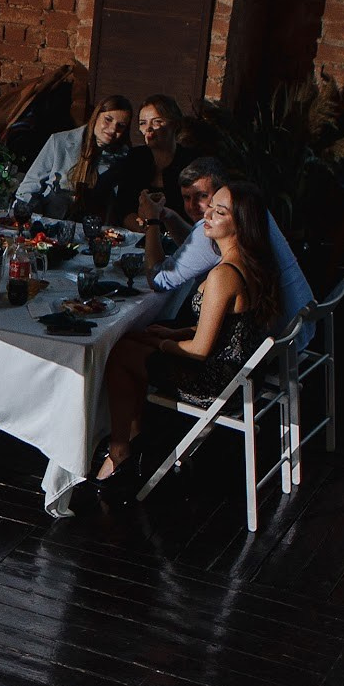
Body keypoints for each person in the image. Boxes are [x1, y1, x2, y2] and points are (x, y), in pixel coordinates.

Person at [97, 182, 283, 486]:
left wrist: (161, 341)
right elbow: (232, 327)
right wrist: (175, 331)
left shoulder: (224, 275)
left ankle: (120, 450)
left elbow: (198, 351)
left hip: (217, 381)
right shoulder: (254, 261)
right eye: (212, 206)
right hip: (241, 373)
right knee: (135, 338)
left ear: (240, 225)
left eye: (219, 212)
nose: (207, 214)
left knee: (121, 352)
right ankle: (134, 439)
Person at [144, 156, 314, 327]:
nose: (193, 206)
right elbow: (200, 247)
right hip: (301, 319)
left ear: (221, 193)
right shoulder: (249, 208)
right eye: (187, 198)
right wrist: (168, 216)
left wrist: (152, 221)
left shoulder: (222, 222)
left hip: (274, 341)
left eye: (202, 196)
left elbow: (158, 280)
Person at [15, 94, 133, 218]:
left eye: (121, 125)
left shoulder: (122, 157)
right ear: (96, 116)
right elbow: (29, 187)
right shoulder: (59, 142)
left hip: (89, 227)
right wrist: (32, 218)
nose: (113, 129)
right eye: (108, 119)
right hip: (50, 220)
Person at [107, 94, 190, 226]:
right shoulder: (136, 157)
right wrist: (137, 225)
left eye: (157, 121)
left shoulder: (189, 161)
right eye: (143, 123)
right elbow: (124, 206)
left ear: (175, 124)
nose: (148, 128)